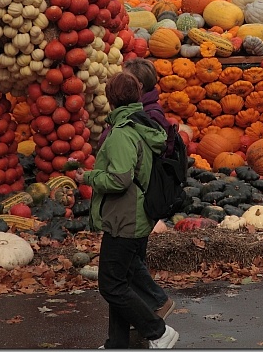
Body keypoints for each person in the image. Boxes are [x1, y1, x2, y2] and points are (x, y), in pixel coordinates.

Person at [78, 72, 179, 349]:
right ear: (137, 95)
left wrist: (87, 177)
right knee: (121, 282)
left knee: (111, 285)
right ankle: (118, 344)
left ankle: (158, 331)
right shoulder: (142, 123)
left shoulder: (123, 133)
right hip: (137, 215)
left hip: (125, 218)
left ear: (110, 99)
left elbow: (120, 179)